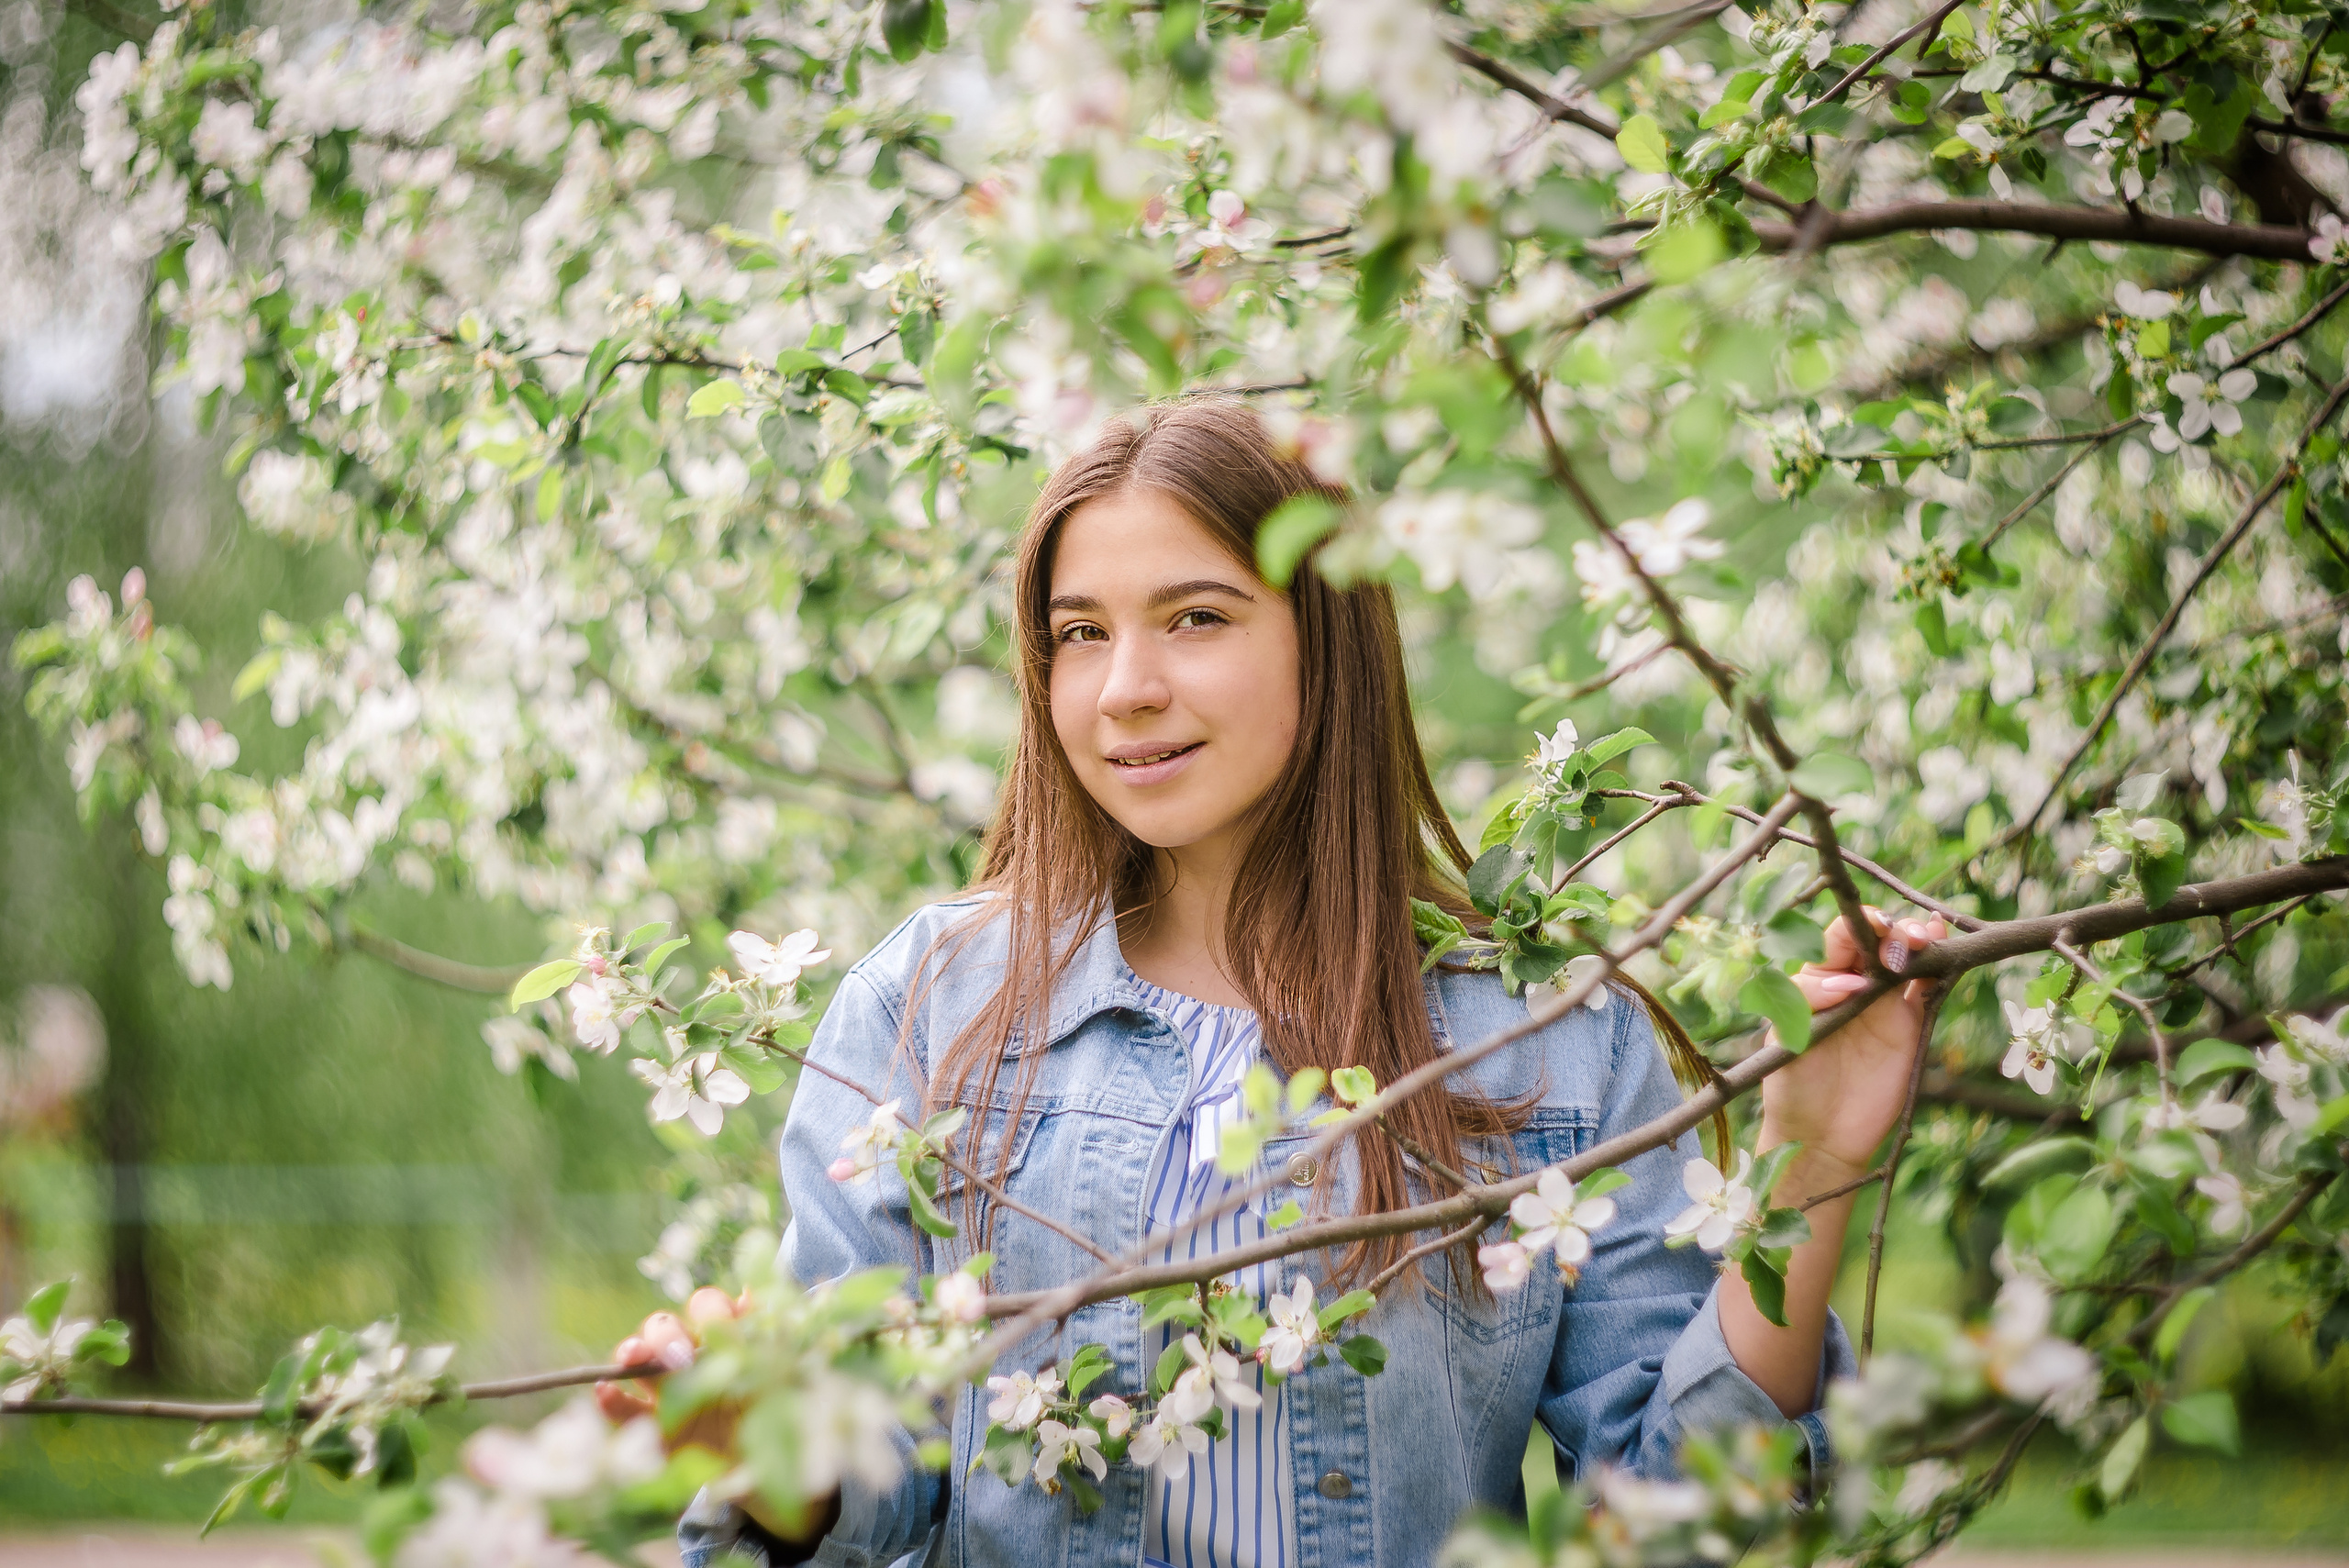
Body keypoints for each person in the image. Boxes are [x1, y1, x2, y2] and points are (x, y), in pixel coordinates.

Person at [596, 397, 1945, 1568]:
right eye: (1079, 632)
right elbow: (876, 1486)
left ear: (1325, 639)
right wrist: (769, 1443)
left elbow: (1680, 1519)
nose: (1125, 687)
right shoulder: (933, 1005)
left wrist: (1810, 1161)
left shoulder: (1539, 1041)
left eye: (1195, 617)